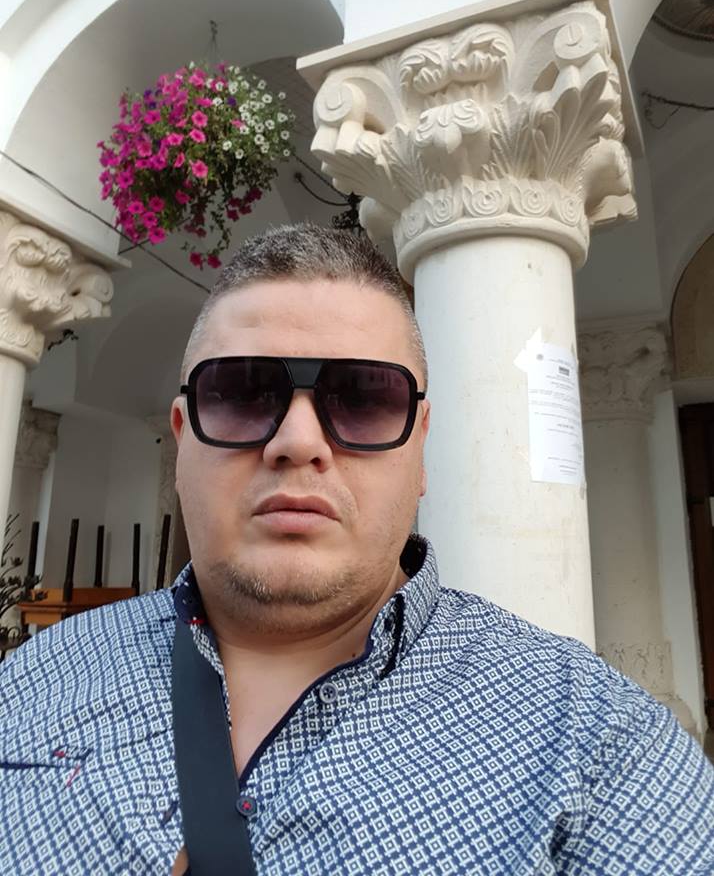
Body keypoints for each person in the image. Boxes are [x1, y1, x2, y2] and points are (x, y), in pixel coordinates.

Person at [1, 222, 712, 876]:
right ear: (183, 437)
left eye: (365, 399)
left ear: (420, 448)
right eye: (242, 393)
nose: (298, 442)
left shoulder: (591, 739)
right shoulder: (32, 680)